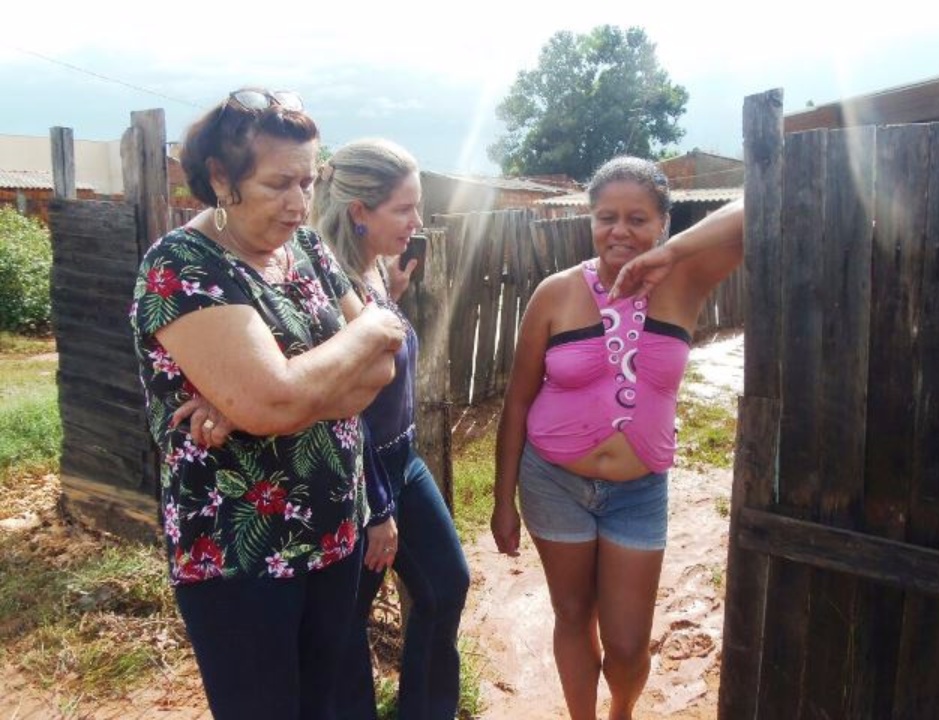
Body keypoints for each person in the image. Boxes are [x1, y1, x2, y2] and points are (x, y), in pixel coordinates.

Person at [130, 88, 405, 720]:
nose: (299, 202)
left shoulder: (304, 248)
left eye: (308, 182)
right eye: (280, 183)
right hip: (241, 556)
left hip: (336, 529)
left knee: (335, 705)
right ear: (221, 178)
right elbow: (280, 398)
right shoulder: (182, 265)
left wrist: (272, 394)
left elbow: (380, 373)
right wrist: (368, 331)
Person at [490, 155, 744, 720]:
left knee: (628, 645)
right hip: (552, 482)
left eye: (638, 219)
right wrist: (502, 500)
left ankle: (621, 712)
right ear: (590, 221)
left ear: (663, 224)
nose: (620, 231)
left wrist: (673, 254)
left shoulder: (686, 280)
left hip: (638, 491)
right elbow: (518, 401)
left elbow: (758, 209)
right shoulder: (555, 295)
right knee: (574, 615)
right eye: (607, 217)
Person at [313, 137, 471, 720]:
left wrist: (393, 298)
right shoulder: (328, 285)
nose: (417, 221)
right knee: (347, 621)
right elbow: (342, 406)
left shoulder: (372, 270)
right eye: (404, 209)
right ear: (360, 212)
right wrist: (376, 509)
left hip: (403, 460)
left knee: (445, 584)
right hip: (360, 474)